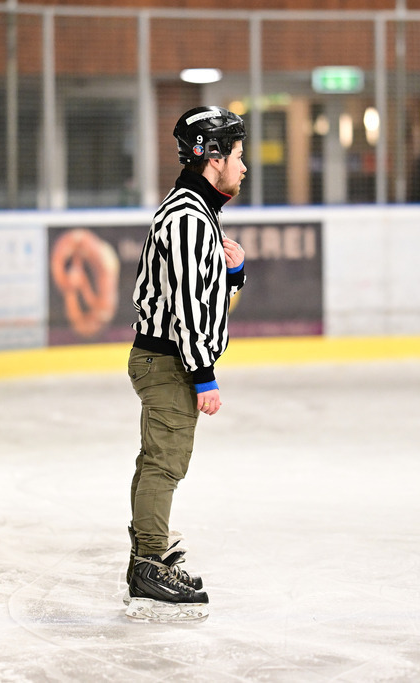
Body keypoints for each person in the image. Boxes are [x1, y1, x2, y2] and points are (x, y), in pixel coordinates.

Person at [124, 106, 247, 621]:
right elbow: (188, 305)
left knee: (158, 458)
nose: (243, 166)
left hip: (169, 357)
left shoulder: (196, 212)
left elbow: (205, 293)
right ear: (213, 157)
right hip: (169, 360)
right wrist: (203, 376)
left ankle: (147, 554)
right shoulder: (188, 219)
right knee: (165, 461)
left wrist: (234, 273)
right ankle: (149, 564)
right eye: (237, 155)